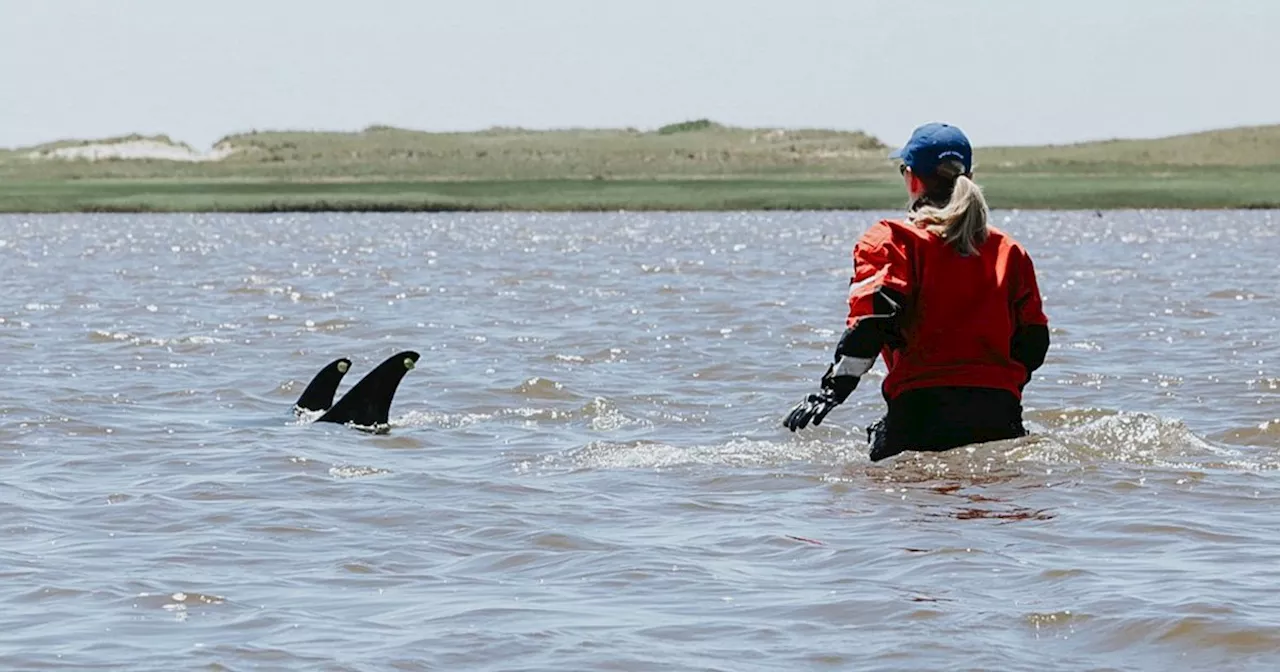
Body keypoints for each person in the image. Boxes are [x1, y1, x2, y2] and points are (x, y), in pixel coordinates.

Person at [783, 122, 1050, 461]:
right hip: (1000, 415)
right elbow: (1034, 342)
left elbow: (871, 323)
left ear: (911, 177)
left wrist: (830, 393)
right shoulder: (1009, 251)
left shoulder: (892, 241)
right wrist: (998, 388)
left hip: (919, 414)